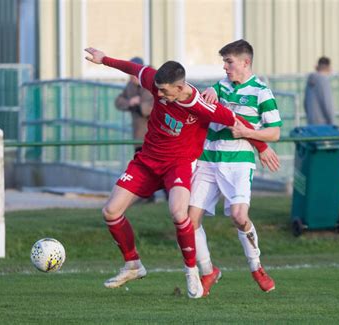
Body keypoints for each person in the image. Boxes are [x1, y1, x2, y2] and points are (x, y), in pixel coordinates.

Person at [84, 47, 274, 299]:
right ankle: (133, 265)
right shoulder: (156, 82)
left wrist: (261, 147)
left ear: (180, 86)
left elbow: (236, 121)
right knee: (110, 211)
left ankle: (192, 272)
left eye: (164, 91)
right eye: (157, 89)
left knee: (178, 212)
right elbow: (132, 68)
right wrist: (103, 59)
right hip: (147, 160)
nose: (158, 95)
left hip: (178, 163)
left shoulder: (201, 106)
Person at [189, 39, 281, 296]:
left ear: (245, 62)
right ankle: (208, 271)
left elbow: (274, 133)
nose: (225, 68)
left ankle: (256, 267)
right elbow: (212, 97)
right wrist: (209, 91)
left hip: (238, 162)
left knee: (240, 217)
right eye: (224, 62)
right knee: (189, 220)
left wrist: (248, 132)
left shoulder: (262, 92)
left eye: (229, 62)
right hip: (208, 159)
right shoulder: (221, 85)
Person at [115, 57, 154, 152]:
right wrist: (130, 102)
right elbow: (118, 101)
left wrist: (139, 106)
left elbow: (152, 107)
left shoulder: (151, 83)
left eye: (134, 72)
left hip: (154, 138)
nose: (132, 76)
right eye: (130, 72)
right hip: (139, 136)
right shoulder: (130, 85)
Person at [304, 57, 335, 125]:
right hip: (324, 125)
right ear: (328, 67)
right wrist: (332, 123)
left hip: (311, 123)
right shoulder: (324, 80)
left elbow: (305, 104)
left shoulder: (310, 80)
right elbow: (327, 104)